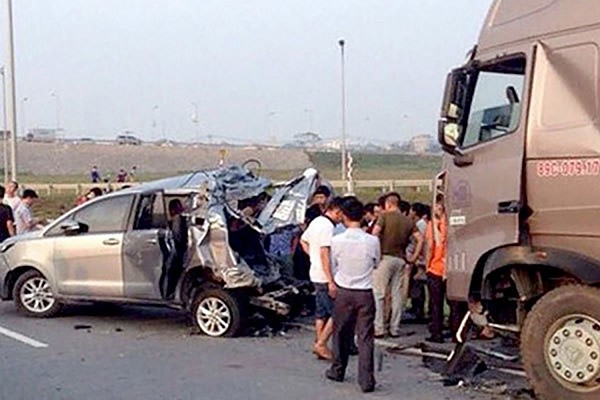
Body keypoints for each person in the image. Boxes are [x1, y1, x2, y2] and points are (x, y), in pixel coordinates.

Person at [325, 197, 380, 393]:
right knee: (365, 337)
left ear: (345, 217)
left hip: (344, 291)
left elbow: (333, 264)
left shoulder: (337, 240)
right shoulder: (372, 240)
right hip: (365, 292)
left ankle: (337, 369)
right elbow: (376, 263)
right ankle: (366, 380)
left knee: (341, 333)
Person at [372, 192, 423, 338]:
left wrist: (376, 254)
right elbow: (420, 239)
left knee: (379, 294)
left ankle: (379, 327)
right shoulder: (408, 221)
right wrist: (413, 257)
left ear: (387, 204)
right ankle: (395, 328)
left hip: (384, 258)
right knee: (397, 295)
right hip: (400, 259)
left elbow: (375, 234)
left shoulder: (384, 217)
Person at [300, 197, 344, 360]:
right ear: (337, 211)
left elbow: (303, 241)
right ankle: (321, 343)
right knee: (337, 312)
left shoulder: (317, 221)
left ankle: (319, 342)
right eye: (341, 215)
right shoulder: (327, 227)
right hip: (325, 275)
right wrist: (330, 279)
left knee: (321, 312)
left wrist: (312, 257)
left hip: (316, 272)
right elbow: (325, 253)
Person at [425, 195, 448, 343]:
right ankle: (456, 332)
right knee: (455, 305)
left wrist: (427, 265)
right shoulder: (450, 224)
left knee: (435, 304)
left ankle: (437, 333)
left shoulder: (432, 226)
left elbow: (430, 246)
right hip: (450, 267)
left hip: (435, 267)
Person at [405, 203, 429, 322]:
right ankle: (418, 310)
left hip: (419, 258)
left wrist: (415, 257)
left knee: (417, 285)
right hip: (420, 258)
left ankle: (418, 311)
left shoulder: (419, 225)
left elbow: (419, 242)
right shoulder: (423, 224)